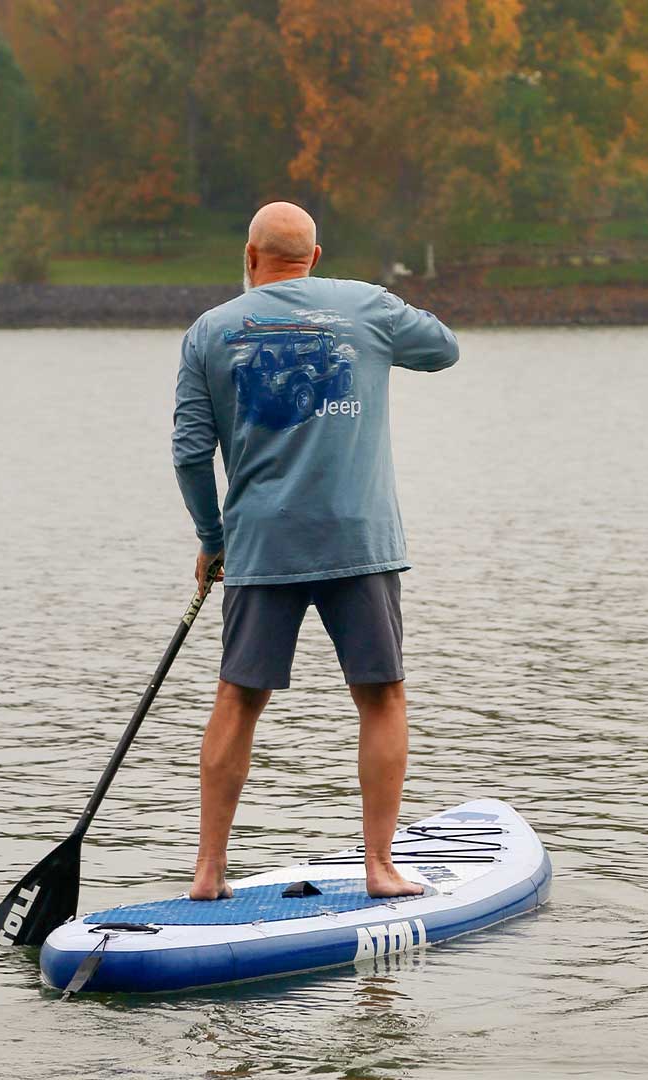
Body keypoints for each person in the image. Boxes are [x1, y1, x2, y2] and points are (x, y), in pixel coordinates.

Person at [172, 201, 459, 901]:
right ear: (317, 258)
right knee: (383, 697)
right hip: (358, 540)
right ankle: (380, 868)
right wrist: (370, 317)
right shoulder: (366, 306)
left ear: (249, 258)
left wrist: (214, 541)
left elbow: (188, 453)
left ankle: (209, 874)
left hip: (260, 544)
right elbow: (444, 347)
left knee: (237, 700)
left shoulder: (210, 331)